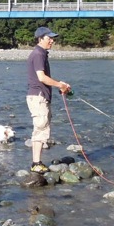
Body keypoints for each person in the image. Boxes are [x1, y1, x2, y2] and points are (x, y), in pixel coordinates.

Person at [26, 26, 71, 174]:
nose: (52, 40)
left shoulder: (42, 53)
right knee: (40, 128)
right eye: (49, 38)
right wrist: (60, 84)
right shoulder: (39, 54)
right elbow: (41, 78)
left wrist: (59, 85)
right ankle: (36, 163)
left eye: (52, 38)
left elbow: (44, 78)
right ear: (40, 39)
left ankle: (37, 162)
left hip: (39, 96)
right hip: (38, 97)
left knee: (42, 128)